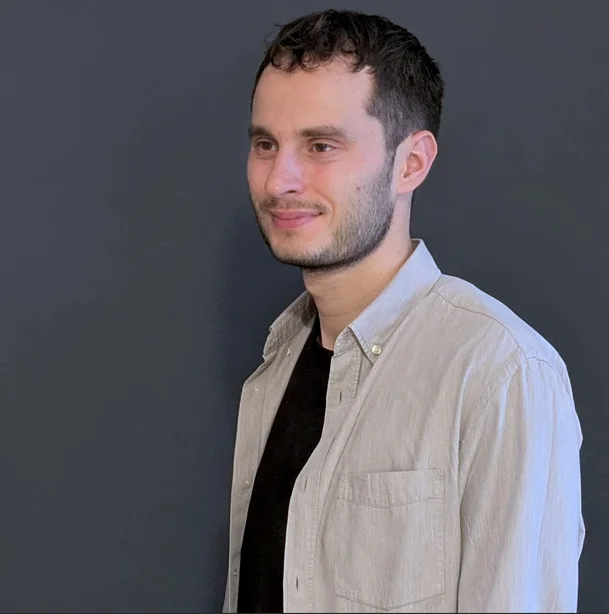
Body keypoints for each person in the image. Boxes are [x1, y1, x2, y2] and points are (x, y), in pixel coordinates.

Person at [223, 9, 585, 613]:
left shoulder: (500, 373)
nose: (279, 179)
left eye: (320, 145)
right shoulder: (277, 363)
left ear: (411, 162)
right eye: (266, 144)